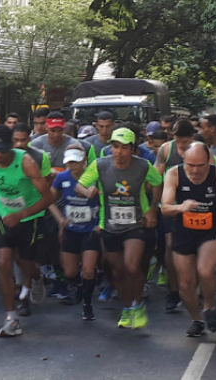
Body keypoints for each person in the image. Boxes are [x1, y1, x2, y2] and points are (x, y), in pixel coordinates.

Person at [76, 128, 163, 329]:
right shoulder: (100, 165)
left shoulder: (143, 166)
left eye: (124, 148)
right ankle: (127, 308)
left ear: (132, 149)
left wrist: (153, 208)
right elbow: (79, 185)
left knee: (132, 265)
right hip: (110, 224)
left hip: (135, 223)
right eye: (115, 147)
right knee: (118, 270)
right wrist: (87, 191)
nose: (119, 152)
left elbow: (158, 182)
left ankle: (138, 303)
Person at [0, 125, 53, 337]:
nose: (0, 155)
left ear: (12, 145)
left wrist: (21, 215)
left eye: (3, 150)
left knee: (26, 263)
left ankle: (37, 278)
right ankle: (11, 317)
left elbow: (48, 197)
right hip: (3, 215)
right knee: (3, 261)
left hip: (28, 217)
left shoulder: (26, 162)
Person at [162, 143, 216, 337]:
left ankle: (209, 305)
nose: (194, 170)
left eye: (199, 165)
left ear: (208, 161)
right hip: (183, 232)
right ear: (183, 159)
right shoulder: (174, 174)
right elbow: (165, 208)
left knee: (205, 270)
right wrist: (181, 207)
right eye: (189, 165)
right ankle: (197, 319)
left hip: (211, 231)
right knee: (185, 283)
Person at [154, 119, 204, 312]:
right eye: (178, 141)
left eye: (185, 142)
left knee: (197, 250)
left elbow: (213, 176)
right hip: (171, 208)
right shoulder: (166, 150)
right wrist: (156, 205)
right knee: (170, 248)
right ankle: (173, 292)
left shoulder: (202, 151)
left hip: (196, 208)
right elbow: (157, 180)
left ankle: (194, 290)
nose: (181, 146)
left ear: (192, 137)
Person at [49, 144, 100, 320]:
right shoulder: (62, 177)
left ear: (84, 160)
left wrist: (100, 222)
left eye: (76, 162)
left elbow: (106, 200)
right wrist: (60, 221)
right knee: (70, 272)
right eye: (69, 162)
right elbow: (49, 200)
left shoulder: (94, 177)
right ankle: (79, 287)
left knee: (88, 270)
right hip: (71, 229)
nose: (72, 166)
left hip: (90, 230)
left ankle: (87, 304)